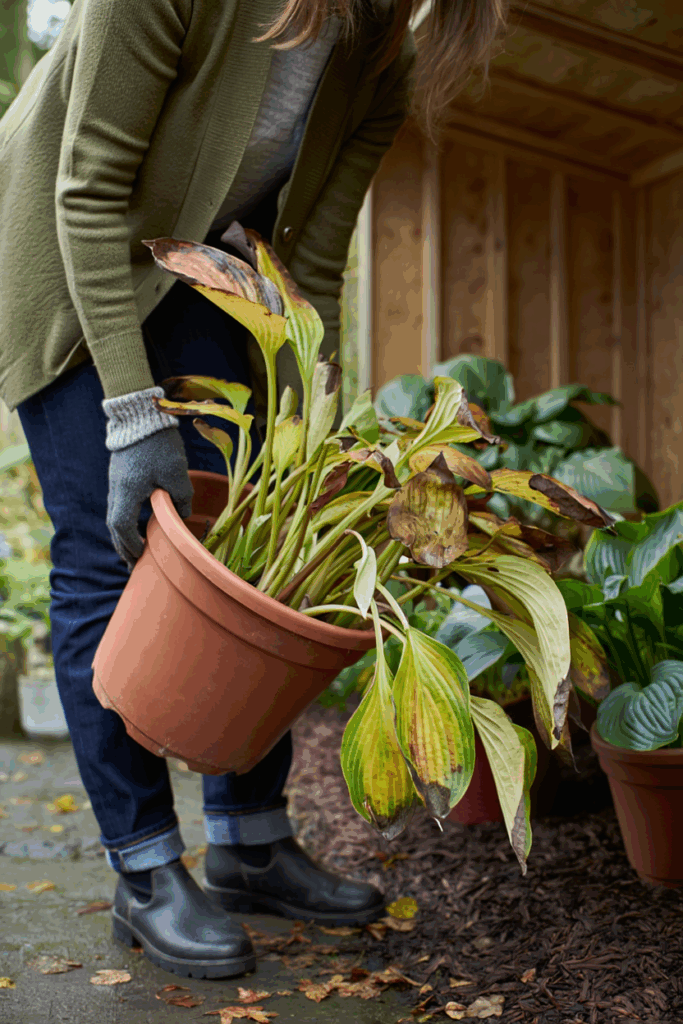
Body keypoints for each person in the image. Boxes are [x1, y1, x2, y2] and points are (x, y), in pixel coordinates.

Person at [0, 0, 507, 980]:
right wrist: (131, 411)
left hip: (205, 269)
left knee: (247, 551)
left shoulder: (377, 53)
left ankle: (249, 839)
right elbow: (87, 185)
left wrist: (305, 431)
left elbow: (311, 252)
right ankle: (145, 866)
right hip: (66, 262)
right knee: (109, 546)